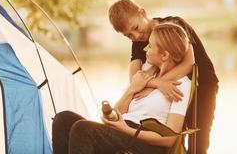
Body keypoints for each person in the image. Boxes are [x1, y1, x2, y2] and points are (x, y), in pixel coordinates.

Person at [52, 23, 192, 154]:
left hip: (145, 144)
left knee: (82, 129)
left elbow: (169, 139)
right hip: (123, 131)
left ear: (165, 55)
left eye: (149, 46)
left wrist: (126, 129)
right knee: (63, 119)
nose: (145, 49)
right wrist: (131, 89)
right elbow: (115, 115)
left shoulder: (180, 84)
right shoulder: (145, 75)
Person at [108, 0, 219, 154]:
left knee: (198, 141)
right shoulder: (139, 42)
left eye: (136, 28)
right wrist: (156, 85)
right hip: (174, 89)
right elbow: (134, 79)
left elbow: (188, 64)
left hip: (203, 85)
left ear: (142, 13)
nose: (136, 36)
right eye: (128, 35)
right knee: (176, 137)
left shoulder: (172, 26)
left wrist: (153, 84)